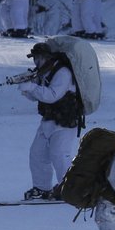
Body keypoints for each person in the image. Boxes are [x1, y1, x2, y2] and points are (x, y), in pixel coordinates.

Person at [18, 42, 83, 200]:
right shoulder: (43, 72)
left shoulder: (63, 72)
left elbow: (53, 95)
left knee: (59, 155)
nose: (35, 62)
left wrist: (32, 87)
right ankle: (41, 188)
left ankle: (68, 189)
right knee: (37, 153)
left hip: (66, 120)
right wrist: (26, 88)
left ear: (46, 57)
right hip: (49, 119)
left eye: (37, 58)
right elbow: (38, 97)